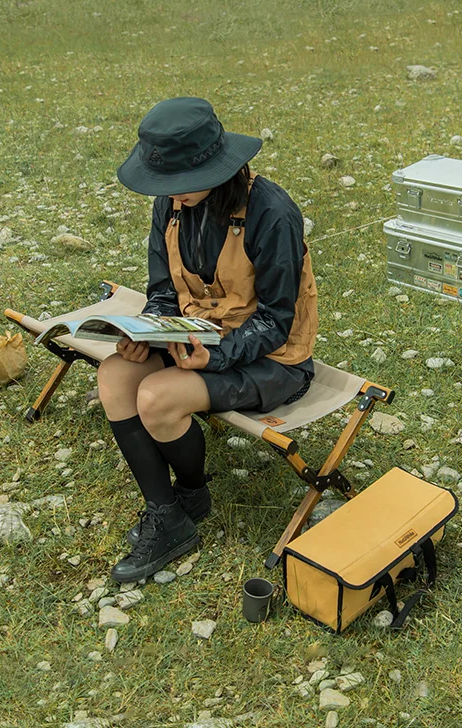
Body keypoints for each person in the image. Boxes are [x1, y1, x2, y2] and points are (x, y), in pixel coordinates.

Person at [98, 97, 318, 582]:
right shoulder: (172, 204)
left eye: (177, 186)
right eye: (164, 186)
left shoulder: (272, 213)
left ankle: (193, 492)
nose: (170, 197)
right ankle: (169, 512)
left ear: (218, 168)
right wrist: (148, 332)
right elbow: (162, 289)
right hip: (197, 336)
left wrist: (214, 356)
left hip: (273, 359)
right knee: (114, 375)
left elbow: (278, 321)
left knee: (156, 397)